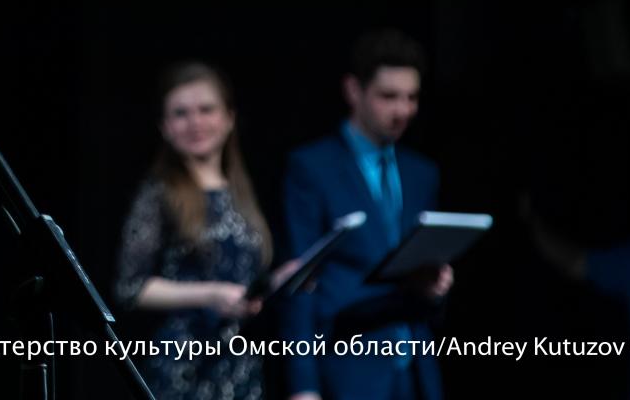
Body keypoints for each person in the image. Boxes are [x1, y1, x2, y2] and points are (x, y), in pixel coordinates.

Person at [282, 28, 454, 400]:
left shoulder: (422, 173)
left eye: (412, 97)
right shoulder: (313, 168)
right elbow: (300, 281)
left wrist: (434, 290)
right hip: (348, 366)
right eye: (388, 96)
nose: (403, 111)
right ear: (353, 90)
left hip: (415, 368)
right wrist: (303, 384)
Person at [113, 61, 279, 399]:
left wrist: (279, 281)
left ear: (229, 118)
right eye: (181, 113)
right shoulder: (159, 194)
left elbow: (242, 278)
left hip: (239, 364)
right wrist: (209, 295)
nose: (195, 123)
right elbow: (131, 287)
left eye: (206, 110)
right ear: (164, 126)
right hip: (186, 364)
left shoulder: (240, 191)